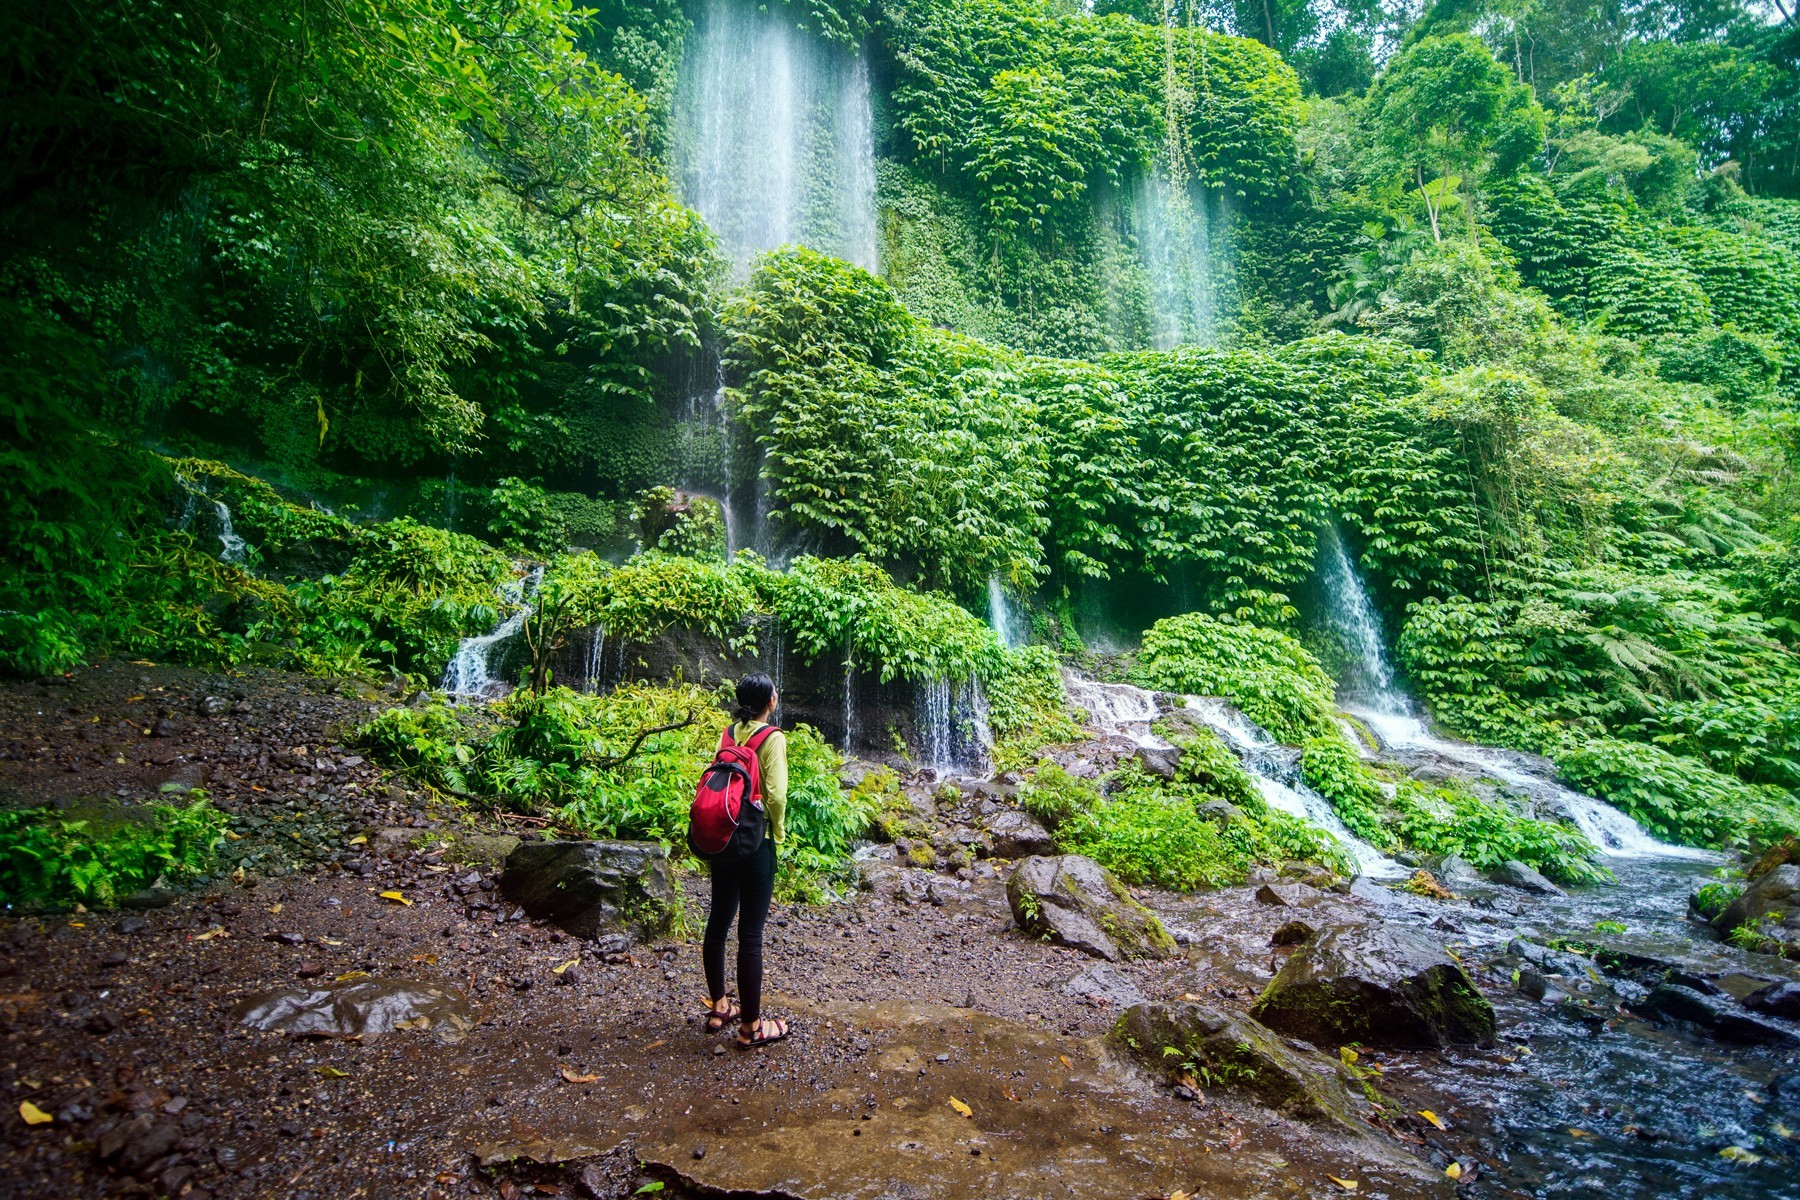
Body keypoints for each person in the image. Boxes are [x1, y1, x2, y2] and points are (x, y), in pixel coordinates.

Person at [703, 672, 792, 1048]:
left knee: (718, 922)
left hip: (723, 838)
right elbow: (776, 795)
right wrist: (778, 831)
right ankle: (751, 1027)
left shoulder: (728, 734)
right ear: (770, 701)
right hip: (755, 842)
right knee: (751, 934)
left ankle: (719, 1006)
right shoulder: (772, 737)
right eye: (775, 692)